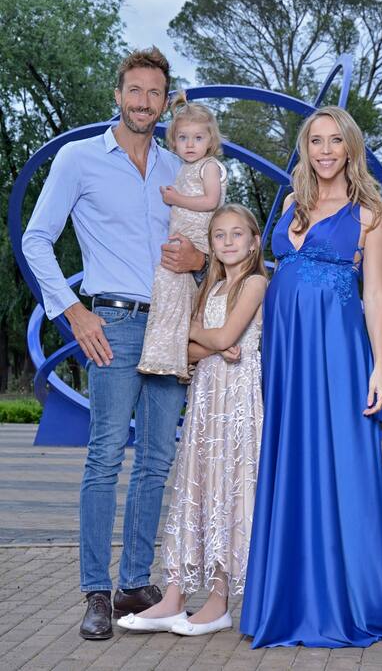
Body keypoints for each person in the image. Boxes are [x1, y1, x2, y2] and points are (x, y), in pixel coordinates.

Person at [22, 47, 207, 640]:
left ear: (164, 100)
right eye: (135, 90)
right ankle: (96, 592)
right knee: (105, 457)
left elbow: (205, 248)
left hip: (171, 324)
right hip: (112, 324)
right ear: (118, 94)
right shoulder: (79, 159)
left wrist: (199, 259)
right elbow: (35, 239)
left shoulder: (178, 169)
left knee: (157, 459)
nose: (144, 102)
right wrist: (73, 311)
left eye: (155, 93)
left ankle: (135, 581)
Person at [240, 106, 382, 648]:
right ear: (305, 149)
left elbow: (374, 295)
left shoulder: (368, 215)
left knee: (340, 462)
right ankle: (286, 599)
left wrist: (379, 365)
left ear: (351, 149)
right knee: (291, 460)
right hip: (285, 353)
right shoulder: (291, 204)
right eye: (316, 141)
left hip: (336, 352)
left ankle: (348, 601)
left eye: (336, 141)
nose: (326, 150)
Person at [117, 203, 267, 636]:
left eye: (237, 234)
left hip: (238, 402)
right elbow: (189, 351)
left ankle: (219, 600)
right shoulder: (211, 288)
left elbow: (216, 336)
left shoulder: (256, 284)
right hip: (205, 401)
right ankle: (174, 596)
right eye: (219, 235)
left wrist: (199, 333)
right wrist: (211, 343)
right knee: (195, 486)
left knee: (230, 488)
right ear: (212, 246)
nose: (228, 242)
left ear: (254, 241)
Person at [137, 91, 227, 380]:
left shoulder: (209, 166)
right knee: (176, 295)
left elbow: (211, 201)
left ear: (210, 141)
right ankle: (174, 357)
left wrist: (176, 199)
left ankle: (168, 356)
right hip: (184, 237)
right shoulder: (184, 168)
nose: (190, 144)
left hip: (199, 239)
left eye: (198, 138)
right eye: (184, 138)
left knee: (171, 285)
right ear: (173, 142)